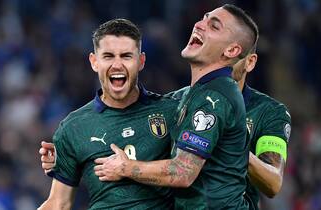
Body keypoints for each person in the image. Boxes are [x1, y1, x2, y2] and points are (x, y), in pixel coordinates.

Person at [94, 4, 258, 209]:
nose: (199, 25)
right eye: (204, 18)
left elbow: (182, 172)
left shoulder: (214, 97)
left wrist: (126, 168)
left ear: (231, 50)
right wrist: (67, 153)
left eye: (214, 26)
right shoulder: (193, 93)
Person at [38, 18, 179, 210]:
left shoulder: (171, 111)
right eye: (108, 56)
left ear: (141, 61)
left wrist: (129, 168)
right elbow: (58, 203)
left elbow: (189, 171)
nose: (117, 65)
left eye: (126, 56)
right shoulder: (74, 127)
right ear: (94, 62)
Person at [233, 51, 291, 209]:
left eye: (233, 50)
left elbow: (273, 183)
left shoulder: (268, 111)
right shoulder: (175, 103)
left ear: (249, 62)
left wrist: (231, 144)